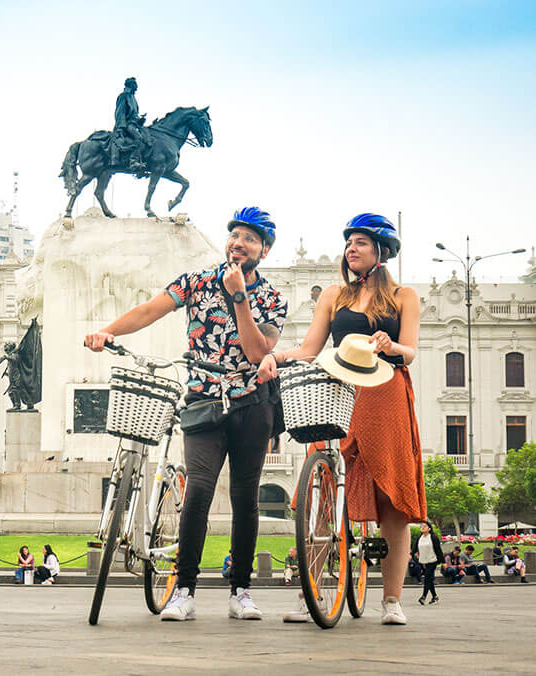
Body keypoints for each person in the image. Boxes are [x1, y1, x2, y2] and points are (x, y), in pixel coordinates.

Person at [86, 207, 287, 622]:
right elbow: (150, 309)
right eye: (234, 235)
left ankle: (241, 590)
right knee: (197, 492)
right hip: (202, 400)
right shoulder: (196, 282)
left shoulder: (272, 297)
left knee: (244, 497)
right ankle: (184, 589)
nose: (238, 242)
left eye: (249, 238)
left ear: (263, 250)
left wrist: (238, 298)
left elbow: (256, 352)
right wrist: (109, 331)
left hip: (252, 404)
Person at [259, 214, 424, 626]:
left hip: (386, 391)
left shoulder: (404, 296)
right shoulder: (333, 294)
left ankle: (391, 601)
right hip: (337, 391)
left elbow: (410, 352)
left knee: (391, 499)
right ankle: (309, 593)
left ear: (382, 251)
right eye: (349, 242)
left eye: (361, 242)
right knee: (319, 496)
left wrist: (392, 343)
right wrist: (275, 356)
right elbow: (312, 348)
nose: (351, 248)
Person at [111, 76, 149, 173]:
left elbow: (133, 115)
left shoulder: (132, 97)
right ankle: (133, 160)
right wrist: (120, 127)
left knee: (147, 137)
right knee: (138, 138)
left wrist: (140, 120)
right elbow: (120, 112)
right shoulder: (124, 96)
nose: (137, 87)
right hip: (126, 124)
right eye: (135, 84)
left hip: (134, 124)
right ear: (130, 85)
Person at [411, 521, 443, 605]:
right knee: (429, 579)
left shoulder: (433, 537)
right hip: (422, 561)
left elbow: (438, 549)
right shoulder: (419, 537)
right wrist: (411, 555)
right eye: (422, 526)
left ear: (429, 529)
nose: (422, 527)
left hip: (432, 560)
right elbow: (414, 548)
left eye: (425, 526)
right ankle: (435, 596)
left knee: (427, 578)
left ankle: (423, 596)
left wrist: (442, 561)